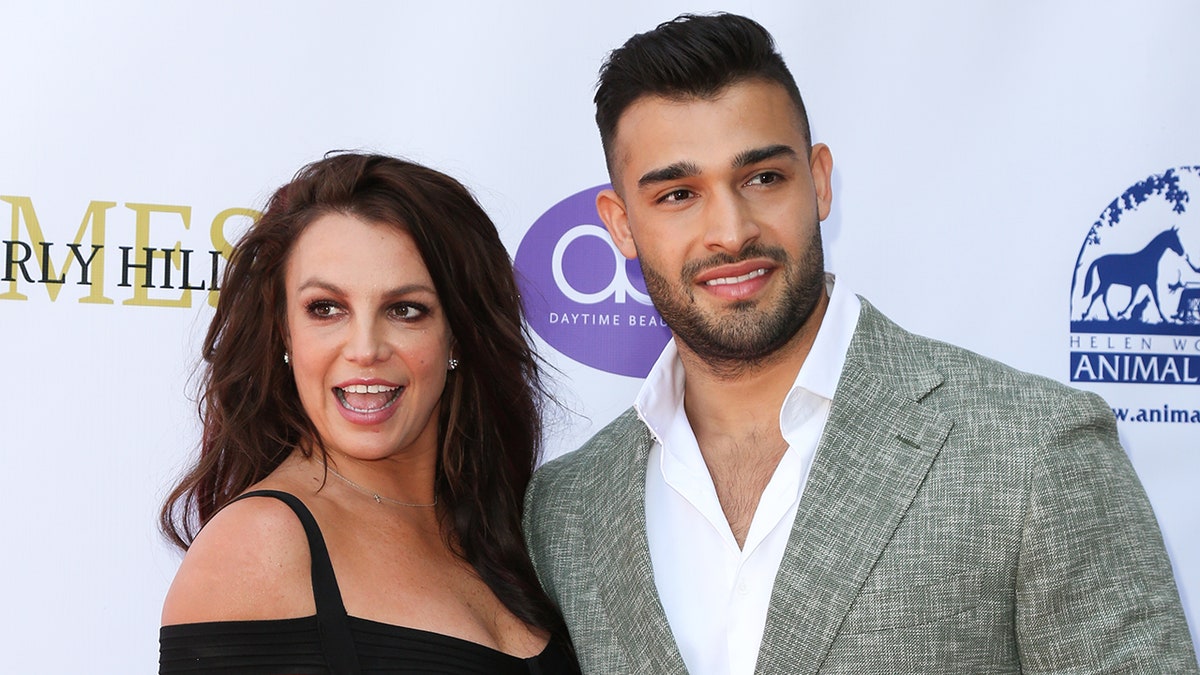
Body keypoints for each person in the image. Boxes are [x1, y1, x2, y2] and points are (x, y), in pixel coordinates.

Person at [523, 13, 1198, 674]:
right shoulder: (566, 509)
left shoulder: (1032, 448)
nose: (730, 231)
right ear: (621, 224)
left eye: (763, 178)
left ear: (818, 180)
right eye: (677, 193)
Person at [160, 153, 580, 674]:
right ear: (285, 333)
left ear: (458, 334)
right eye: (326, 308)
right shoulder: (262, 545)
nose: (364, 348)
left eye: (405, 310)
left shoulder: (513, 528)